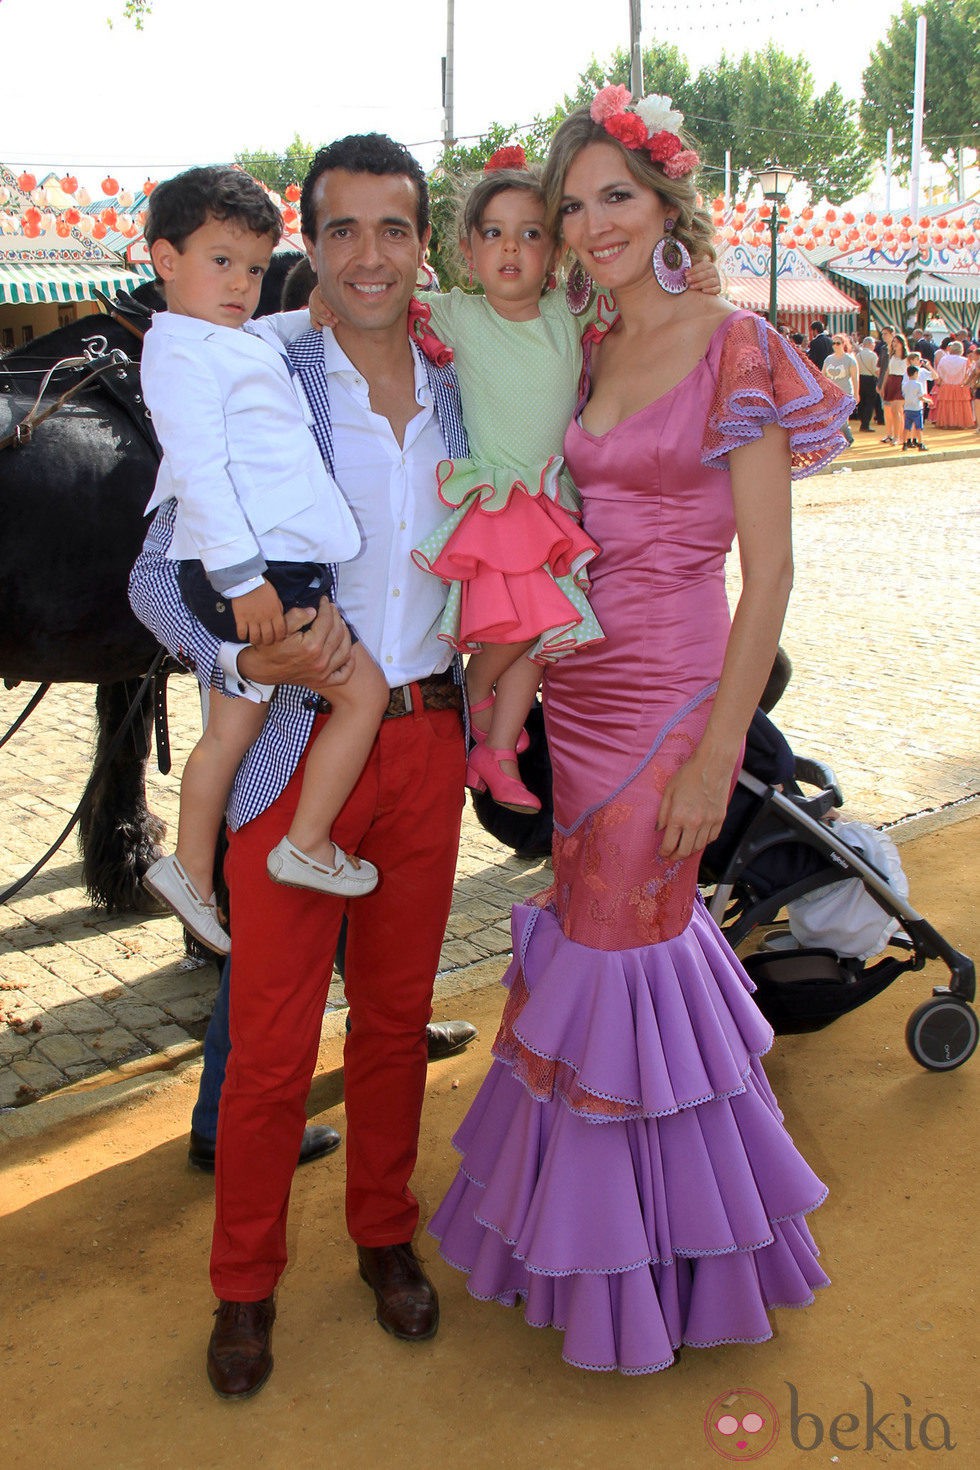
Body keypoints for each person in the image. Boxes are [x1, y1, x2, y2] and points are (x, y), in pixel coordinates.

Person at [430, 87, 851, 1375]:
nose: (589, 222)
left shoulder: (736, 348)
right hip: (577, 682)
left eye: (615, 195)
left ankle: (649, 1272)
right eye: (571, 205)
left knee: (621, 944)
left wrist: (721, 751)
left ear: (667, 202)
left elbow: (767, 578)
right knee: (615, 942)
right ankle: (641, 1237)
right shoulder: (587, 340)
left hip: (671, 699)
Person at [130, 132, 475, 1401]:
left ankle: (383, 1235)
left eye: (394, 229)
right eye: (341, 231)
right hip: (291, 752)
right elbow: (155, 577)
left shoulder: (461, 388)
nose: (369, 255)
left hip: (426, 739)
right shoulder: (246, 365)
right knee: (272, 1048)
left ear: (421, 242)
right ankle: (243, 1286)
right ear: (308, 248)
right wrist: (236, 664)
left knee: (393, 1027)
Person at [308, 150, 721, 815]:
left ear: (557, 253)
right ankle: (471, 701)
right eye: (494, 233)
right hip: (500, 502)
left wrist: (694, 276)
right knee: (525, 622)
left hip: (554, 504)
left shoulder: (572, 312)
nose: (511, 249)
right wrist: (320, 296)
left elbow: (647, 296)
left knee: (546, 634)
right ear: (467, 253)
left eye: (531, 234)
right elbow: (369, 295)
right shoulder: (456, 314)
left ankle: (495, 750)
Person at [138, 168, 390, 957]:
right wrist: (242, 582)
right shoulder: (177, 353)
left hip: (271, 567)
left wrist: (310, 307)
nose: (240, 284)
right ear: (164, 260)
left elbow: (272, 339)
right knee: (365, 693)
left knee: (230, 731)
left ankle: (189, 870)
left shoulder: (231, 336)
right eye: (220, 262)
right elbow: (201, 472)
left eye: (252, 268)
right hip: (260, 573)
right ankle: (305, 842)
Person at [822, 334, 858, 444]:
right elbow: (823, 376)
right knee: (832, 417)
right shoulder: (828, 359)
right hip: (831, 393)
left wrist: (856, 394)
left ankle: (848, 438)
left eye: (838, 343)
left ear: (843, 344)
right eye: (833, 343)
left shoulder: (849, 359)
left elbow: (855, 378)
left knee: (842, 417)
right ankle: (837, 439)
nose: (835, 345)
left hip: (845, 392)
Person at [930, 340, 974, 428]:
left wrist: (940, 382)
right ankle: (960, 423)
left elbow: (939, 373)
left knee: (946, 405)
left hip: (946, 385)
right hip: (961, 385)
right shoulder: (965, 360)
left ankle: (946, 423)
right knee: (960, 405)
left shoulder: (944, 359)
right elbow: (968, 374)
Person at [880, 332, 908, 445]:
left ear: (902, 343)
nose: (894, 344)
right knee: (888, 409)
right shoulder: (891, 355)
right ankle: (890, 434)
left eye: (896, 341)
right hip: (891, 382)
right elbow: (887, 371)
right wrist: (882, 386)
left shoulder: (907, 357)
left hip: (901, 382)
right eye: (893, 342)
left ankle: (898, 437)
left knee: (896, 410)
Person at [855, 334, 880, 431]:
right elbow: (875, 369)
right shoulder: (873, 355)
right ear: (870, 344)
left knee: (861, 402)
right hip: (870, 379)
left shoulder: (858, 355)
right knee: (870, 402)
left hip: (860, 378)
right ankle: (865, 424)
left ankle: (862, 421)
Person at [901, 362, 928, 450]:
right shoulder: (918, 385)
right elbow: (920, 397)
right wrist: (927, 400)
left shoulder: (905, 385)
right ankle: (920, 443)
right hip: (916, 408)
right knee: (918, 427)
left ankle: (904, 443)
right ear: (915, 373)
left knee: (907, 427)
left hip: (907, 408)